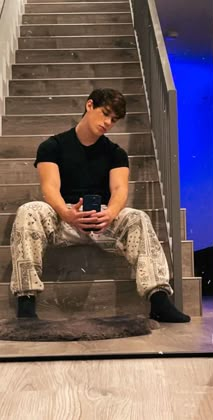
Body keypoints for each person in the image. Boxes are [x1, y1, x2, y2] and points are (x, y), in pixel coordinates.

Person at [10, 88, 190, 323]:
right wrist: (66, 213)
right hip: (63, 218)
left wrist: (110, 214)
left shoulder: (116, 153)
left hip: (103, 222)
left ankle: (158, 300)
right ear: (89, 106)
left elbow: (119, 190)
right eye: (105, 114)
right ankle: (26, 302)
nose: (108, 122)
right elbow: (49, 188)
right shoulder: (52, 146)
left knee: (138, 217)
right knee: (28, 211)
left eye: (113, 120)